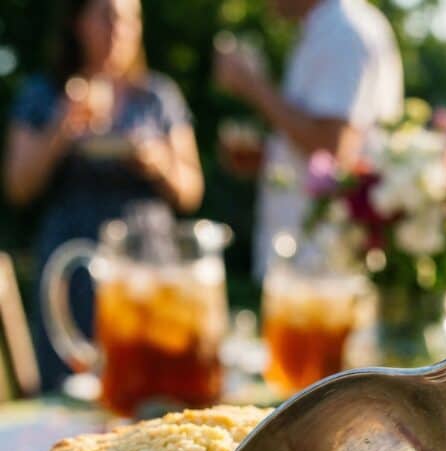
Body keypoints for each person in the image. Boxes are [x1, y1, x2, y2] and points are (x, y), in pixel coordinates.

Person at [3, 0, 204, 391]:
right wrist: (61, 127)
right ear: (78, 23)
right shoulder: (44, 94)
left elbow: (191, 191)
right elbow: (18, 186)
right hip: (71, 267)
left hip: (147, 264)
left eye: (130, 20)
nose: (119, 30)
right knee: (72, 385)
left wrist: (157, 162)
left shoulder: (157, 96)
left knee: (154, 383)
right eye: (107, 17)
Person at [214, 0, 403, 277]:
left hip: (320, 263)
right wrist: (269, 157)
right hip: (306, 256)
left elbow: (332, 146)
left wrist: (251, 84)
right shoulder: (325, 28)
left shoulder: (343, 31)